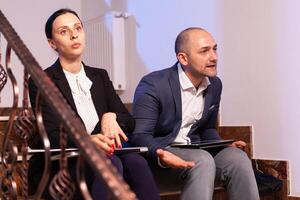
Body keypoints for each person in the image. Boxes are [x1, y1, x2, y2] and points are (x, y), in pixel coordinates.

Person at [28, 8, 160, 200]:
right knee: (111, 163)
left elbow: (129, 122)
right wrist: (86, 141)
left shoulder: (100, 76)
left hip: (104, 157)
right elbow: (52, 136)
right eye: (64, 31)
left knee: (136, 162)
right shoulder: (42, 81)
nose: (74, 35)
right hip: (64, 166)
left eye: (78, 28)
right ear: (52, 43)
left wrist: (111, 116)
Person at [131, 27, 260, 200]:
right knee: (202, 160)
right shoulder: (154, 84)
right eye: (204, 51)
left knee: (238, 158)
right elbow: (139, 135)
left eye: (214, 49)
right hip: (157, 162)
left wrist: (221, 145)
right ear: (183, 58)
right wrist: (161, 153)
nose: (213, 57)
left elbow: (207, 130)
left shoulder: (214, 85)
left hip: (194, 153)